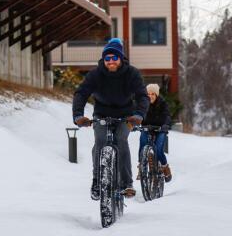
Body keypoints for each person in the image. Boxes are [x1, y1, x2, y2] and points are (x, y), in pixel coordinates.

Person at [72, 38, 149, 200]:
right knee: (100, 142)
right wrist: (78, 115)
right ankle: (97, 182)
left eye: (115, 58)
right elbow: (81, 93)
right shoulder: (95, 74)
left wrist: (139, 115)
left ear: (121, 58)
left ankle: (127, 183)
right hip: (101, 114)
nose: (111, 61)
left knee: (121, 140)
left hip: (125, 116)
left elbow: (142, 96)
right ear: (103, 60)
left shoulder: (132, 73)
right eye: (107, 58)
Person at [138, 83, 172, 182]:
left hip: (160, 129)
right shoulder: (143, 103)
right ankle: (141, 167)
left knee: (158, 149)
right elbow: (137, 114)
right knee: (143, 142)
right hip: (147, 128)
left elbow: (167, 116)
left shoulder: (162, 103)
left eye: (153, 94)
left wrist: (165, 125)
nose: (150, 96)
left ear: (156, 95)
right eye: (148, 94)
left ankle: (165, 167)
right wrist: (134, 123)